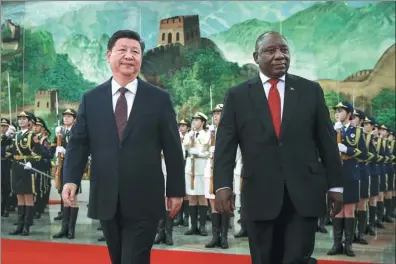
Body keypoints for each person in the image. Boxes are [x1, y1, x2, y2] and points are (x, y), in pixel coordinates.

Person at [213, 31, 343, 264]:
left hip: (303, 194)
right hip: (259, 194)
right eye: (271, 51)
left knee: (296, 258)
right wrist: (222, 185)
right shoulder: (238, 96)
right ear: (256, 56)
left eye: (284, 50)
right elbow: (225, 145)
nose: (279, 56)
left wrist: (336, 186)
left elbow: (326, 142)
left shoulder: (310, 91)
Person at [61, 30, 185, 264]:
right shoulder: (92, 98)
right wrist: (70, 179)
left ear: (141, 58)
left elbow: (172, 147)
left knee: (135, 259)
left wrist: (176, 189)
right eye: (123, 50)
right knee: (118, 258)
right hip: (106, 196)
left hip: (145, 196)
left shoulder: (158, 99)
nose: (129, 56)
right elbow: (79, 143)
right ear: (109, 55)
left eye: (135, 52)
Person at [183, 112, 210, 236]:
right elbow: (185, 147)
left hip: (201, 167)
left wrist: (198, 152)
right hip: (190, 168)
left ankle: (202, 226)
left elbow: (208, 152)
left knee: (202, 197)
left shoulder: (207, 135)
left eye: (197, 120)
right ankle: (192, 226)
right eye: (193, 119)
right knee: (192, 197)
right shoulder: (189, 134)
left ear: (203, 122)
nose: (194, 122)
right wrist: (190, 142)